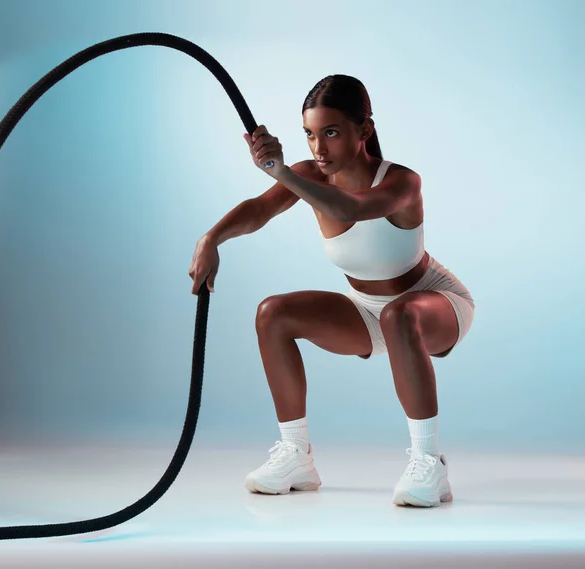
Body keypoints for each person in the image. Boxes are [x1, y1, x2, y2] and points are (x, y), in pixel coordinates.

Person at [188, 74, 475, 508]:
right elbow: (259, 210)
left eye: (332, 133)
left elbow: (351, 209)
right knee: (273, 313)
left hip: (433, 302)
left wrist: (281, 171)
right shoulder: (308, 175)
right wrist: (211, 238)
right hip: (367, 310)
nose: (319, 149)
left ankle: (429, 464)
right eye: (309, 134)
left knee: (400, 315)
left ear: (365, 130)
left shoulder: (401, 182)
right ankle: (296, 456)